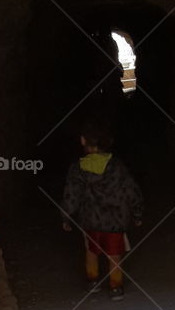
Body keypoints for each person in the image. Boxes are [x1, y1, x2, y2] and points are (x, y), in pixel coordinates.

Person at [61, 122, 143, 300]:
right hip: (115, 220)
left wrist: (66, 216)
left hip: (90, 219)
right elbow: (131, 190)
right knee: (114, 253)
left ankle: (93, 281)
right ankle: (115, 286)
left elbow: (71, 194)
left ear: (83, 141)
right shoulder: (116, 166)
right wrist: (137, 213)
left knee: (91, 251)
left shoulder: (78, 168)